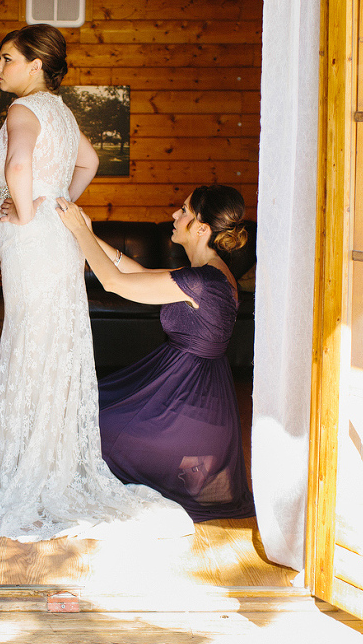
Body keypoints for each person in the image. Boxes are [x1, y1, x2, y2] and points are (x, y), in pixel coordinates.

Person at [0, 24, 193, 542]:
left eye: (6, 59)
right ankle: (46, 459)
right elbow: (88, 161)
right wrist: (58, 199)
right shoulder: (62, 114)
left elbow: (18, 162)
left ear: (35, 65)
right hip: (55, 239)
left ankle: (24, 466)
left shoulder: (22, 111)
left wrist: (25, 210)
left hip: (32, 241)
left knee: (30, 341)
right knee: (53, 341)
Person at [54, 184, 256, 521]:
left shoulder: (201, 280)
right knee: (93, 408)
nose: (175, 215)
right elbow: (143, 275)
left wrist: (77, 230)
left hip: (189, 413)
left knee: (92, 424)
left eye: (184, 211)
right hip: (195, 397)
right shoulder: (213, 273)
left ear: (202, 229)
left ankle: (178, 473)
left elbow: (114, 282)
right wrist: (90, 235)